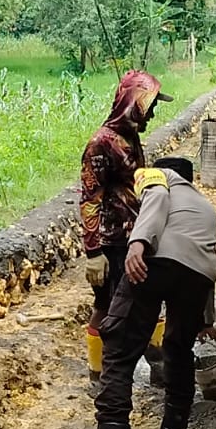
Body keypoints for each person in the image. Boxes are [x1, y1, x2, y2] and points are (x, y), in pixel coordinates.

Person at [74, 157, 216, 429]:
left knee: (119, 351)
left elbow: (155, 197)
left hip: (154, 262)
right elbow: (208, 260)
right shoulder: (205, 207)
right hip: (196, 277)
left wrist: (138, 243)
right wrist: (206, 320)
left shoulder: (157, 175)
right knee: (179, 353)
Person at [80, 70, 172, 388]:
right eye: (149, 106)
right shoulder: (101, 144)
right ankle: (100, 375)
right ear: (134, 104)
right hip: (112, 243)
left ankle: (159, 366)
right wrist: (93, 252)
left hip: (135, 238)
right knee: (107, 307)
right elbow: (90, 199)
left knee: (145, 302)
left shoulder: (130, 138)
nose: (153, 113)